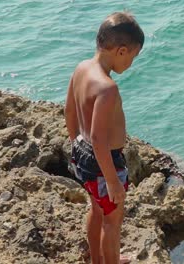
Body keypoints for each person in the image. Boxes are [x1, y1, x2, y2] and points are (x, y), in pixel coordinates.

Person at [64, 12, 144, 264]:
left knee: (97, 210)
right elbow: (99, 138)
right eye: (133, 56)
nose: (131, 63)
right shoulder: (107, 88)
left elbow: (69, 110)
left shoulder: (81, 68)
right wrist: (111, 180)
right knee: (112, 221)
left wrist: (75, 142)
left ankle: (98, 260)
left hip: (81, 152)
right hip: (104, 161)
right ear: (122, 51)